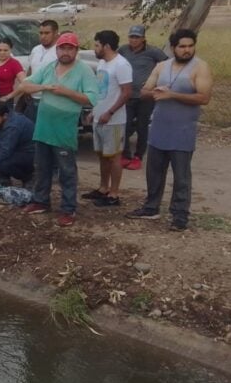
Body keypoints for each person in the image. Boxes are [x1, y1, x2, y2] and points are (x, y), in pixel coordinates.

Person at [126, 29, 213, 231]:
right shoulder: (162, 66)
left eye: (190, 46)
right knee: (154, 172)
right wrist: (156, 92)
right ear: (173, 48)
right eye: (182, 46)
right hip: (158, 128)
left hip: (183, 131)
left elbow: (204, 98)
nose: (187, 50)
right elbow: (145, 91)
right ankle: (151, 207)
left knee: (181, 176)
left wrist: (172, 95)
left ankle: (180, 215)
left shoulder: (200, 67)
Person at [18, 32, 99, 228]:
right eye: (62, 48)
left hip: (64, 129)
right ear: (57, 49)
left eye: (70, 48)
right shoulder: (49, 67)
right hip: (44, 127)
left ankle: (68, 208)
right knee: (42, 167)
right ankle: (41, 201)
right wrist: (43, 87)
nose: (65, 52)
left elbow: (91, 98)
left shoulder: (84, 71)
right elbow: (25, 85)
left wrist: (67, 92)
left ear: (76, 50)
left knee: (66, 171)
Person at [83, 30, 133, 207]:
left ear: (106, 46)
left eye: (97, 45)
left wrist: (110, 112)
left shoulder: (121, 65)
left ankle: (114, 193)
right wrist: (94, 111)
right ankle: (103, 188)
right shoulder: (103, 63)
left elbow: (127, 93)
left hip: (114, 120)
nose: (94, 49)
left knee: (114, 157)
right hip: (99, 117)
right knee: (102, 156)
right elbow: (101, 90)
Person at [118, 25, 167, 170]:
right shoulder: (123, 50)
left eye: (137, 37)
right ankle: (125, 155)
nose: (134, 40)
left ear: (143, 38)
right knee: (125, 125)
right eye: (131, 36)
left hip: (145, 96)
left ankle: (138, 156)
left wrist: (156, 81)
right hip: (127, 95)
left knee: (141, 126)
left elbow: (167, 65)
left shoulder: (153, 52)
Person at [23, 20, 60, 121]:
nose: (43, 36)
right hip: (33, 99)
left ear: (56, 33)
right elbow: (31, 69)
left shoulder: (60, 52)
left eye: (47, 33)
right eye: (41, 33)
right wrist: (26, 89)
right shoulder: (36, 49)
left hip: (50, 101)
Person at [0, 37, 25, 110]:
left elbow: (25, 83)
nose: (2, 53)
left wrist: (8, 96)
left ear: (10, 50)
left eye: (5, 50)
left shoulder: (14, 64)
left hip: (4, 101)